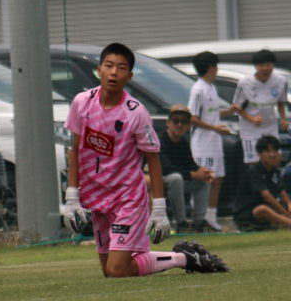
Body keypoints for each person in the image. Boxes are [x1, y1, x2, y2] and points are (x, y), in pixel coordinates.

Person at [63, 42, 227, 278]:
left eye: (121, 68)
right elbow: (75, 150)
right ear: (99, 70)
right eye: (108, 65)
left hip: (127, 198)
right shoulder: (81, 102)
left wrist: (159, 209)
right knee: (110, 271)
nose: (113, 72)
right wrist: (72, 196)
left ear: (129, 76)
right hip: (97, 197)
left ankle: (183, 258)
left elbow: (153, 159)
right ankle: (186, 255)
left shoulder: (135, 112)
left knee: (117, 270)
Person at [188, 51, 236, 231]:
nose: (217, 69)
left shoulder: (212, 88)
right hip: (202, 142)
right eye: (215, 66)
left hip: (215, 141)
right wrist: (215, 128)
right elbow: (192, 117)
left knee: (218, 178)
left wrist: (229, 112)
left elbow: (211, 113)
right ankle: (198, 218)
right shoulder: (198, 89)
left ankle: (211, 217)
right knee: (205, 179)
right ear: (210, 67)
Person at [158, 105, 214, 232]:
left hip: (176, 181)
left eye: (184, 122)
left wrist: (202, 171)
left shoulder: (183, 142)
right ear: (168, 123)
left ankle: (199, 223)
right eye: (176, 121)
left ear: (188, 125)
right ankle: (181, 223)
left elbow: (190, 164)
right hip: (156, 181)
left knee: (204, 180)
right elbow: (165, 168)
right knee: (176, 178)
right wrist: (192, 174)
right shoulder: (160, 140)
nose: (180, 125)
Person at [233, 49, 288, 164]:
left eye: (268, 64)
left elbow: (280, 102)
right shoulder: (245, 82)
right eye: (261, 65)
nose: (265, 68)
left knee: (274, 158)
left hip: (270, 125)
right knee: (253, 161)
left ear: (272, 65)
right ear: (256, 66)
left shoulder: (280, 81)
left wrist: (283, 119)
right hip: (250, 127)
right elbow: (237, 107)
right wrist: (252, 118)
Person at [233, 135, 291, 230]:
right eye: (268, 151)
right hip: (248, 214)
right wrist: (283, 212)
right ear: (260, 154)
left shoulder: (275, 171)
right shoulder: (253, 171)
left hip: (268, 210)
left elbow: (282, 192)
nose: (272, 154)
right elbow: (266, 196)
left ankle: (282, 224)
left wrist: (289, 204)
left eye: (275, 151)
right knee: (262, 209)